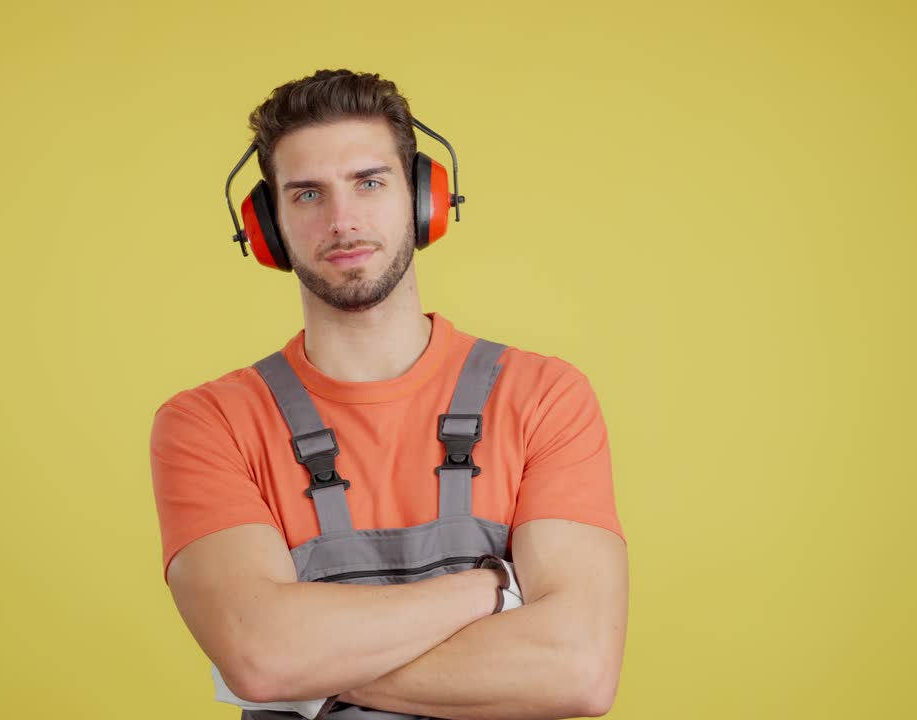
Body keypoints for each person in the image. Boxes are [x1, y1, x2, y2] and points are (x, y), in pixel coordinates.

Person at [149, 68, 629, 720]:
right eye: (308, 194)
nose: (342, 221)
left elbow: (578, 671)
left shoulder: (543, 397)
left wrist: (311, 668)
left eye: (369, 183)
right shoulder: (209, 424)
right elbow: (260, 655)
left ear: (424, 199)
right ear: (267, 226)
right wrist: (491, 589)